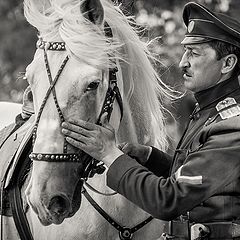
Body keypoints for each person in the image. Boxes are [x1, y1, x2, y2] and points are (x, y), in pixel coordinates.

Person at [62, 2, 240, 239]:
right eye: (185, 51)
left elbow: (171, 200)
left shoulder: (232, 125)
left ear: (228, 63)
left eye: (195, 53)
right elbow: (199, 182)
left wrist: (109, 154)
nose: (183, 62)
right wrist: (149, 156)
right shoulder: (208, 111)